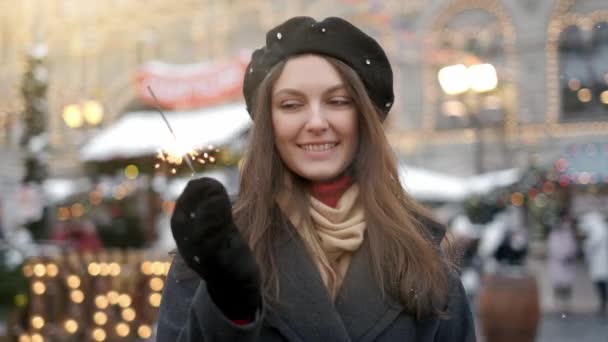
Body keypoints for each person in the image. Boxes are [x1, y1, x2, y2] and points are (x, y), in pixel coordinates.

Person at [157, 16, 476, 341]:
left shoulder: (423, 256)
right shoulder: (216, 251)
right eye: (291, 105)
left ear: (364, 118)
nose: (316, 122)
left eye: (337, 102)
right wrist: (227, 310)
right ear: (269, 123)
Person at [547, 209, 578, 313]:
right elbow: (553, 246)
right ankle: (558, 304)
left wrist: (570, 254)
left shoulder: (570, 231)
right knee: (558, 283)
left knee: (567, 284)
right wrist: (562, 256)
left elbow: (573, 245)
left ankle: (567, 304)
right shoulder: (556, 232)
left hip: (568, 261)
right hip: (558, 261)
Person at [579, 210, 608, 316]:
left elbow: (593, 243)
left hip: (601, 262)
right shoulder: (600, 228)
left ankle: (603, 303)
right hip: (599, 262)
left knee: (602, 283)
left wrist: (586, 246)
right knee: (600, 282)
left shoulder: (599, 229)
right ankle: (603, 303)